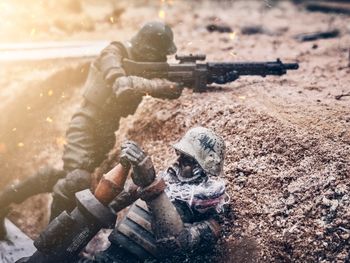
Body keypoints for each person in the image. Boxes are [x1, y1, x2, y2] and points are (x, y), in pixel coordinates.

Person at [19, 127, 229, 263]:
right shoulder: (164, 186)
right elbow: (114, 203)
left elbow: (173, 245)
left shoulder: (210, 217)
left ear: (204, 168)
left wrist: (151, 186)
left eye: (186, 160)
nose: (176, 163)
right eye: (178, 156)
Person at [50, 21, 184, 219]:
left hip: (106, 132)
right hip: (85, 124)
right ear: (146, 49)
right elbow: (114, 70)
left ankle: (9, 195)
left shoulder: (144, 67)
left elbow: (169, 86)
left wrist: (176, 84)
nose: (162, 59)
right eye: (158, 54)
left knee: (72, 176)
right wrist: (139, 82)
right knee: (77, 179)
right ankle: (51, 241)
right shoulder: (116, 51)